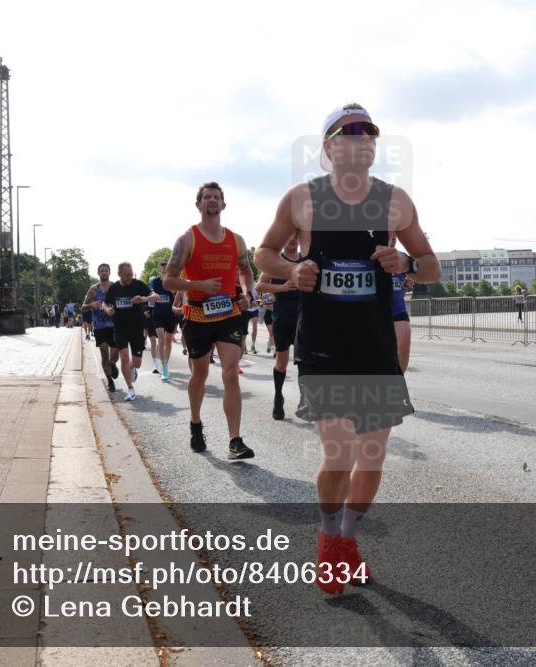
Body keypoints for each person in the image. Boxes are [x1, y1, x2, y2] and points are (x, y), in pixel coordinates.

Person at [255, 103, 440, 594]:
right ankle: (328, 541)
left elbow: (430, 265)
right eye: (348, 132)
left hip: (375, 348)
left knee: (372, 458)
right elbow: (263, 253)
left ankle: (349, 541)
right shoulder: (302, 200)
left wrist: (404, 261)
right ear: (329, 147)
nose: (360, 139)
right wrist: (293, 271)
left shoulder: (394, 202)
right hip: (323, 348)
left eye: (368, 133)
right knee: (339, 455)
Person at [162, 181, 255, 459]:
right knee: (199, 374)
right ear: (199, 204)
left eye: (216, 197)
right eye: (207, 197)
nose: (212, 200)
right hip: (198, 315)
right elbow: (168, 280)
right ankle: (195, 424)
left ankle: (235, 440)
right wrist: (197, 285)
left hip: (229, 313)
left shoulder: (236, 239)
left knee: (230, 373)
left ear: (223, 204)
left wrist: (248, 294)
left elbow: (246, 271)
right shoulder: (187, 239)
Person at [256, 233, 303, 419]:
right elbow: (260, 286)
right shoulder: (276, 261)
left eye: (295, 237)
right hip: (282, 317)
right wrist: (281, 288)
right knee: (282, 361)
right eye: (289, 236)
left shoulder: (305, 260)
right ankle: (278, 397)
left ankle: (305, 400)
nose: (292, 240)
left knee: (305, 362)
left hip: (303, 317)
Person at [102, 262, 153, 401]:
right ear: (119, 274)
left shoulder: (138, 285)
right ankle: (130, 389)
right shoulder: (114, 288)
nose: (130, 277)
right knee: (123, 357)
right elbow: (104, 303)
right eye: (127, 275)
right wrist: (107, 310)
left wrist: (143, 299)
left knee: (137, 363)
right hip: (120, 327)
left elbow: (156, 296)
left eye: (131, 274)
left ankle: (132, 367)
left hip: (137, 328)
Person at [82, 264, 120, 392]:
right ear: (98, 273)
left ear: (110, 272)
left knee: (115, 352)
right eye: (102, 271)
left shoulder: (115, 287)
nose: (104, 273)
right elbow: (83, 306)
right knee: (104, 352)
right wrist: (91, 304)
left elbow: (121, 302)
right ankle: (109, 380)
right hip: (99, 325)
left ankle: (113, 363)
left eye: (106, 271)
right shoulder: (93, 289)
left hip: (114, 324)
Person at [150, 260, 178, 382]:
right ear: (160, 268)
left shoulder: (173, 280)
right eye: (162, 265)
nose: (164, 267)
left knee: (168, 342)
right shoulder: (155, 281)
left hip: (170, 314)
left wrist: (170, 283)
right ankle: (165, 368)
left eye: (167, 265)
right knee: (161, 340)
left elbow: (175, 293)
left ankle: (166, 363)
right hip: (158, 314)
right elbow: (152, 294)